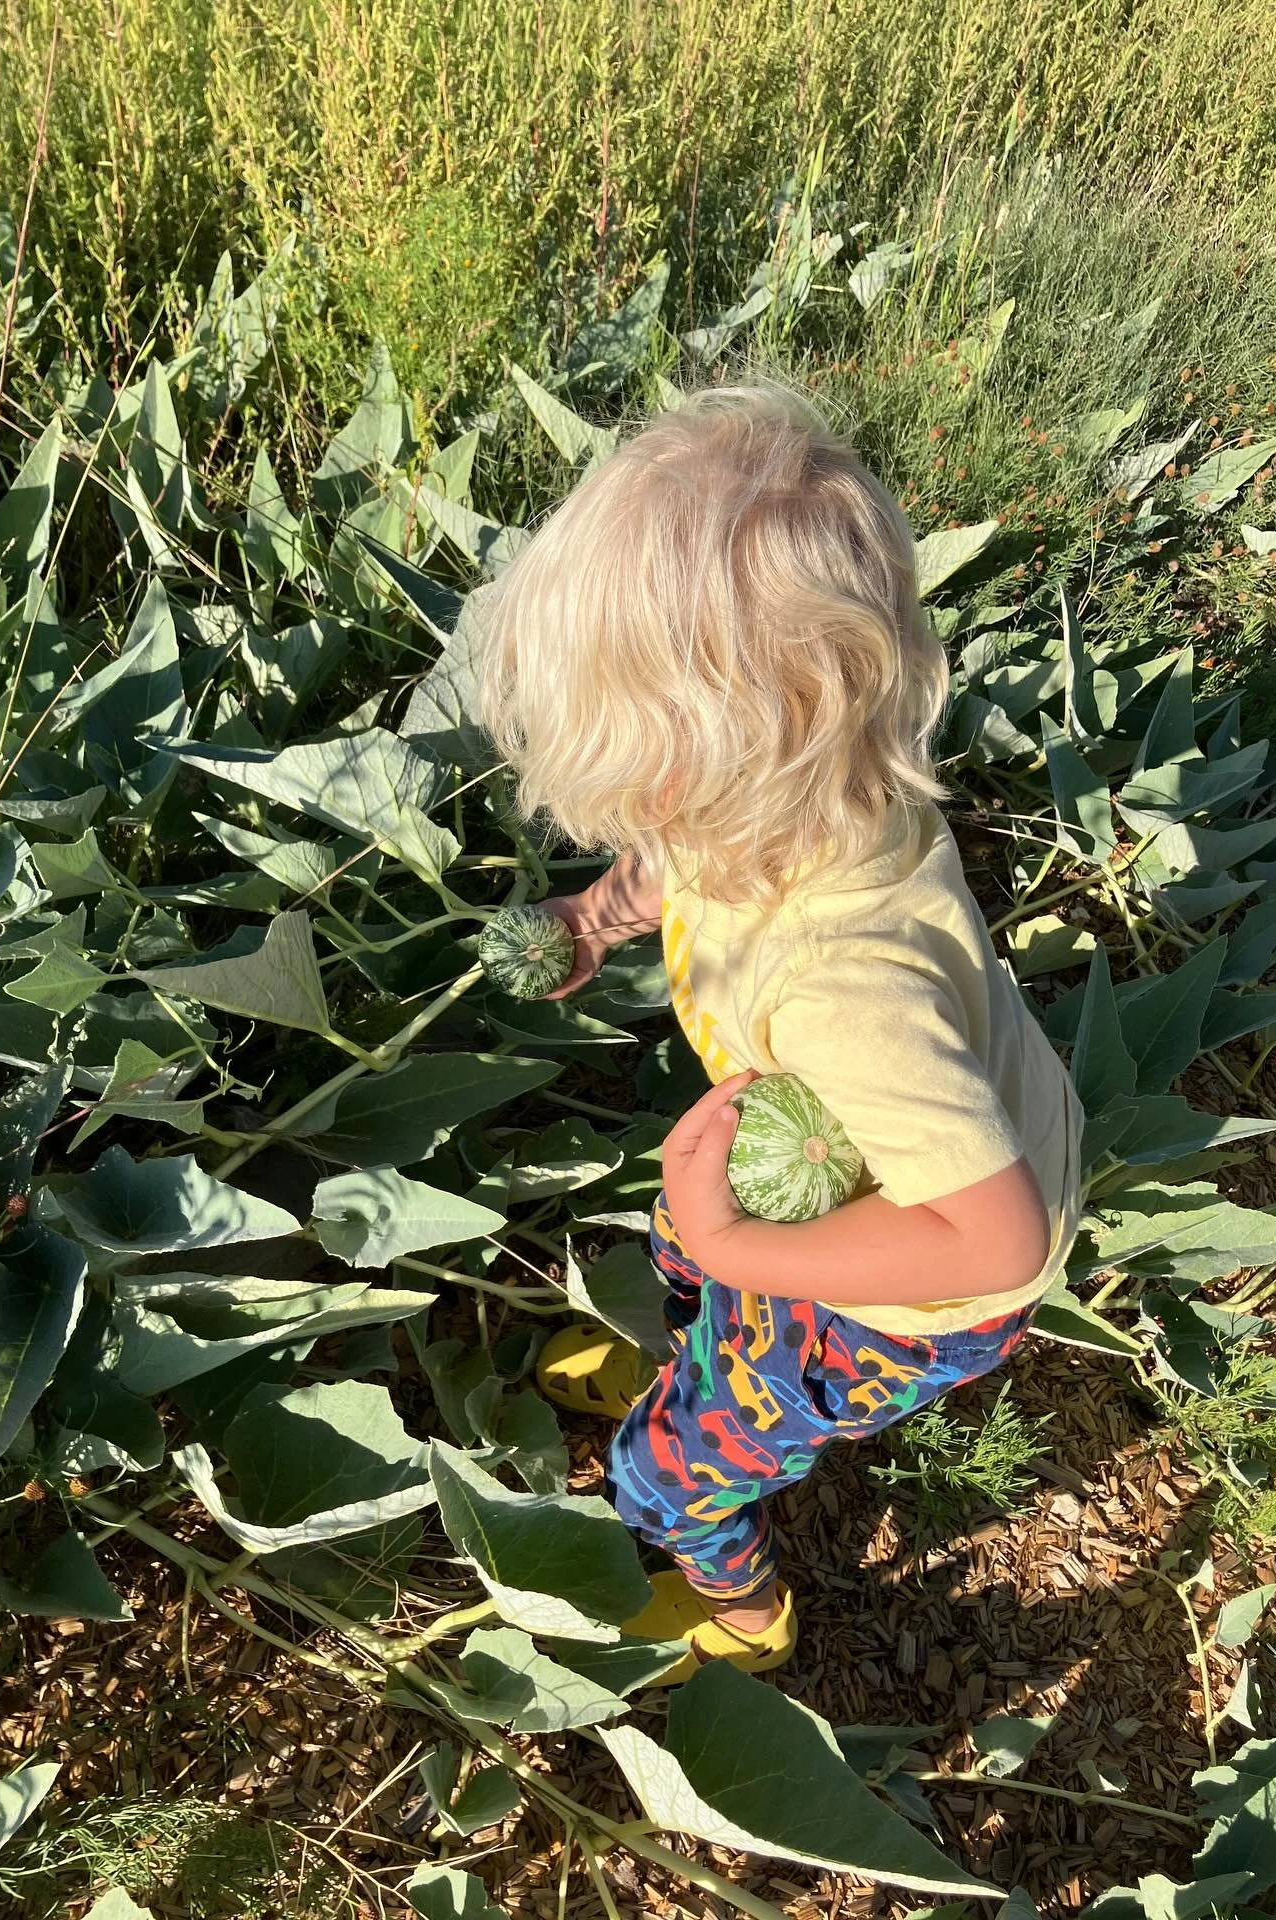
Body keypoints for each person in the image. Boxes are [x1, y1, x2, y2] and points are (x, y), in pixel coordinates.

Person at [477, 382, 1080, 1684]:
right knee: (683, 1248)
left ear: (701, 764)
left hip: (917, 1287)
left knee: (676, 1466)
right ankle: (687, 1317)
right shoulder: (791, 796)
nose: (625, 830)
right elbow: (675, 861)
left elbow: (999, 1238)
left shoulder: (845, 990)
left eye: (623, 771)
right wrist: (596, 915)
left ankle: (741, 1613)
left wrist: (741, 1239)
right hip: (840, 1159)